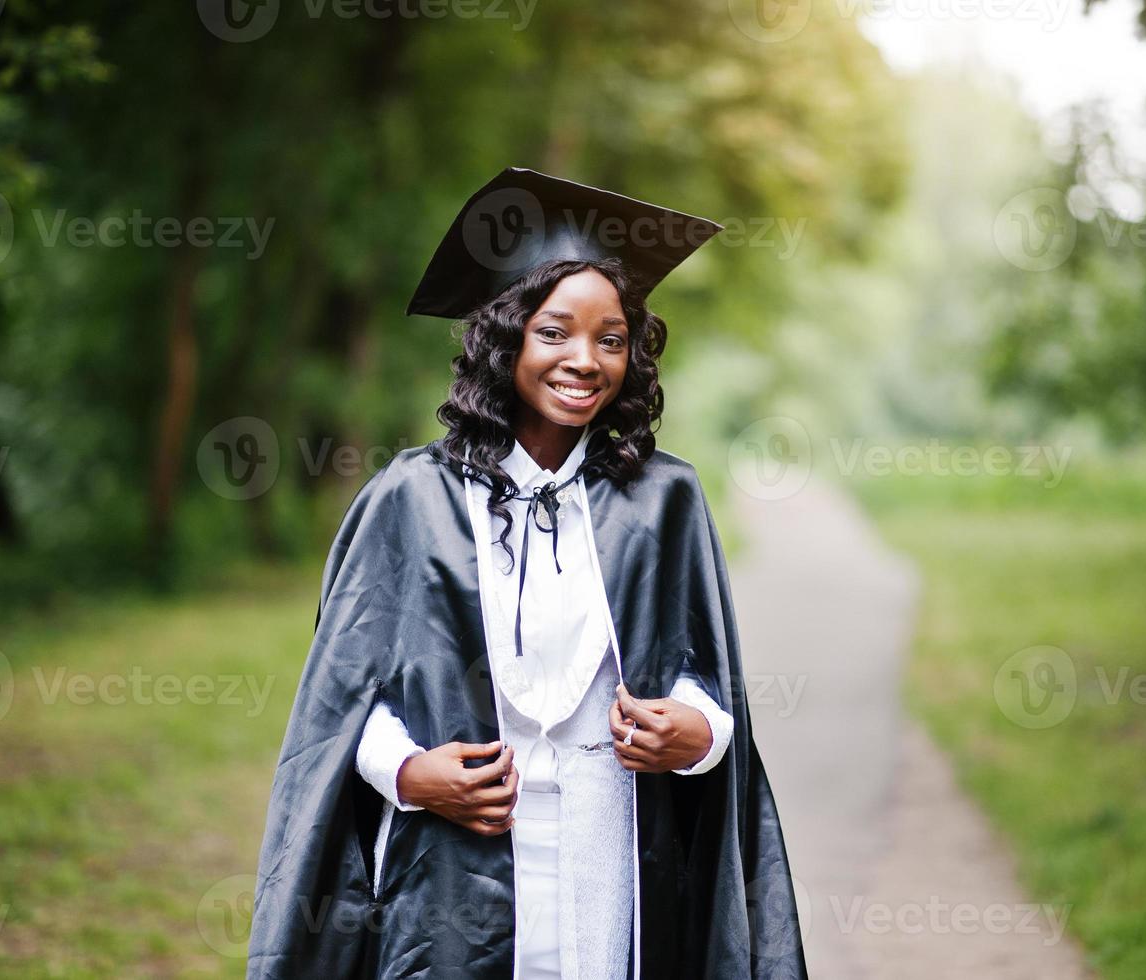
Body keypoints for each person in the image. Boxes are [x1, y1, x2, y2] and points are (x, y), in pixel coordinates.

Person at [248, 168, 807, 980]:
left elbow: (705, 686)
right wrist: (409, 774)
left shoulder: (662, 499)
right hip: (449, 863)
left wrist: (696, 737)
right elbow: (340, 703)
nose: (585, 360)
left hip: (609, 853)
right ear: (506, 338)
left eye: (609, 338)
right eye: (555, 332)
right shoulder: (414, 497)